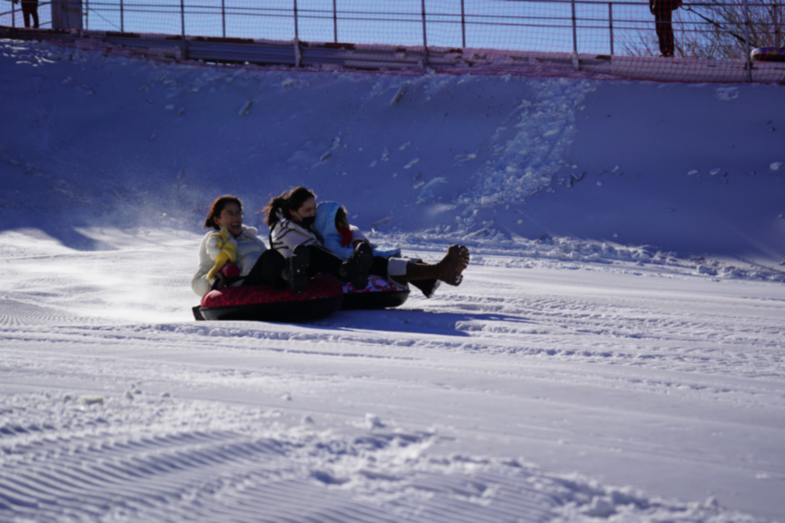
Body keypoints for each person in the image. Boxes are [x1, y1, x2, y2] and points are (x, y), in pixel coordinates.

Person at [312, 200, 470, 298]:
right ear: (336, 223)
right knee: (391, 264)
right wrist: (365, 251)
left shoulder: (344, 235)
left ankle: (441, 273)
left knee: (402, 261)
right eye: (344, 219)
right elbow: (346, 256)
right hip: (359, 269)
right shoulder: (331, 241)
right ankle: (439, 271)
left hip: (365, 262)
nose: (348, 222)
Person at [263, 187, 375, 292]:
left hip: (315, 268)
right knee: (310, 250)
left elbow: (347, 228)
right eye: (307, 210)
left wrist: (357, 240)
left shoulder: (307, 225)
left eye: (314, 209)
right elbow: (309, 253)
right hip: (295, 273)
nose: (312, 214)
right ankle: (346, 271)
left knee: (371, 260)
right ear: (292, 212)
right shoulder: (282, 229)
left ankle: (382, 269)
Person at [191, 195, 293, 297]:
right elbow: (196, 283)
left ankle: (295, 272)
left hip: (267, 283)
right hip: (245, 287)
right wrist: (216, 278)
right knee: (270, 256)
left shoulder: (252, 238)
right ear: (217, 220)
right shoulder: (215, 241)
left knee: (278, 254)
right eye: (230, 214)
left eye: (238, 213)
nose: (236, 218)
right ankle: (288, 274)